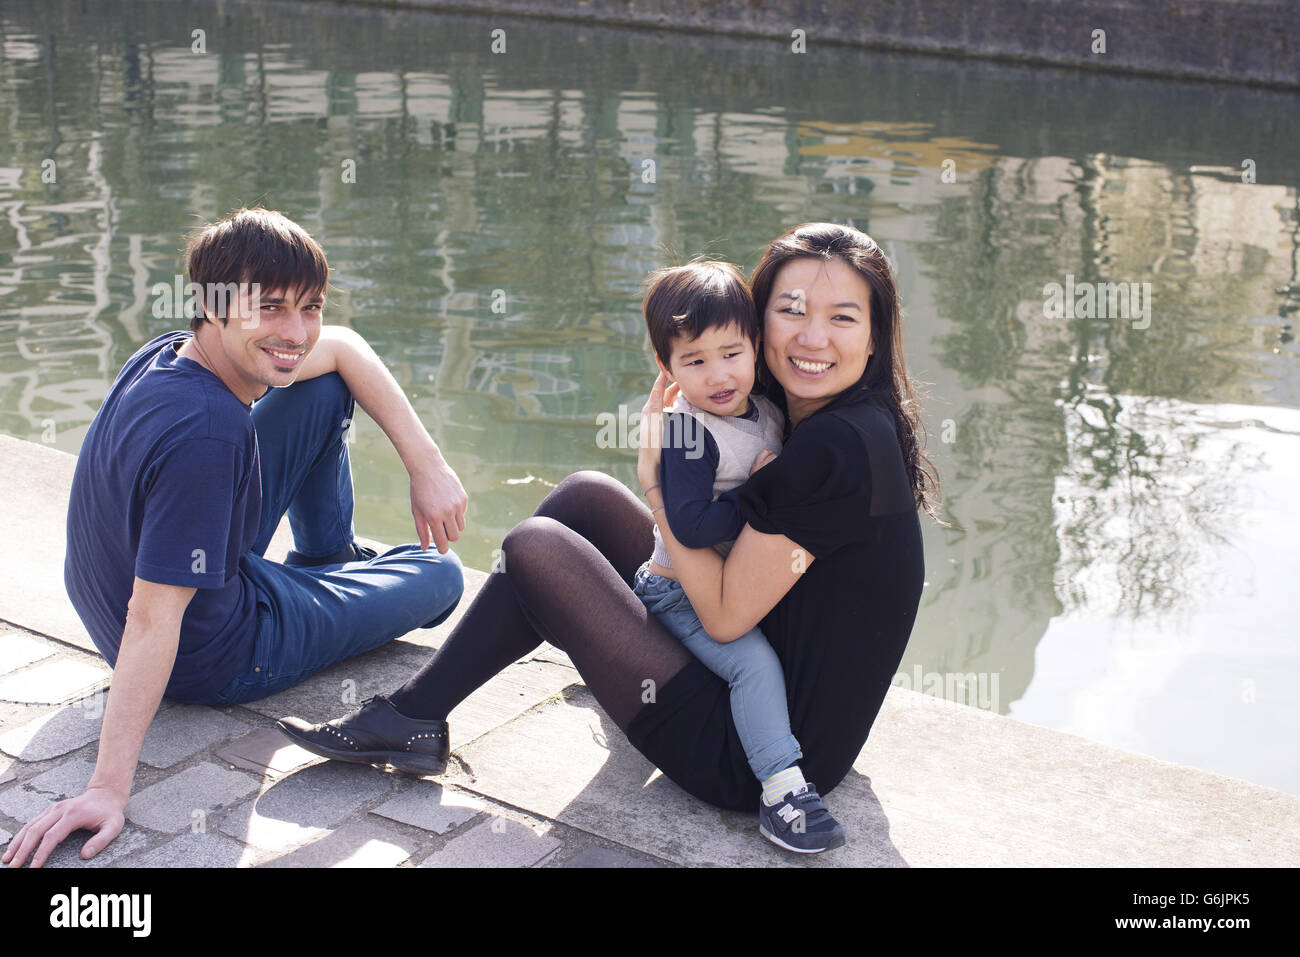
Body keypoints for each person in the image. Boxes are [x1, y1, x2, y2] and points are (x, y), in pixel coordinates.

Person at [277, 222, 936, 849]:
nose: (812, 337)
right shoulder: (822, 413)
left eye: (843, 317)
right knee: (583, 497)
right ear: (756, 316)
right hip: (761, 667)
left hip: (758, 747)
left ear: (875, 335)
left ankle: (413, 718)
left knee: (536, 548)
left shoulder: (835, 446)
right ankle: (422, 714)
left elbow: (729, 619)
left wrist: (654, 478)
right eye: (791, 310)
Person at [3, 207, 468, 868]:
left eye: (309, 306)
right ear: (213, 306)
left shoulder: (166, 353)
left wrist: (427, 464)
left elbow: (341, 349)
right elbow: (151, 617)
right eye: (270, 308)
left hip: (134, 595)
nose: (296, 331)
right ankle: (320, 585)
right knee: (443, 576)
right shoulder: (210, 433)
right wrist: (107, 788)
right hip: (216, 649)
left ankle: (325, 561)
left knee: (325, 384)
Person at [628, 259, 845, 853]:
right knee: (755, 666)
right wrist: (759, 491)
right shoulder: (687, 432)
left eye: (731, 353)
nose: (718, 374)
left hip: (726, 582)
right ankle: (782, 792)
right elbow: (694, 528)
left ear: (756, 347)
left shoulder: (765, 410)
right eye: (694, 361)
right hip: (682, 591)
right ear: (666, 368)